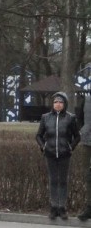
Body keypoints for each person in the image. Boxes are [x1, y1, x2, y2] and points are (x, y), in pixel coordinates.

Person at [35, 92, 80, 220]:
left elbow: (77, 136)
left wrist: (70, 147)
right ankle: (54, 207)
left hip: (65, 154)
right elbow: (38, 135)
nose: (58, 104)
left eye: (60, 102)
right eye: (55, 102)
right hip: (50, 153)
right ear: (52, 104)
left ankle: (62, 207)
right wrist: (43, 147)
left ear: (64, 104)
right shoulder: (46, 117)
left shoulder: (70, 118)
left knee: (63, 181)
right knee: (53, 180)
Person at [78, 94, 91, 222]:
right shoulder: (86, 100)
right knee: (88, 175)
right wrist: (83, 130)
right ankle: (89, 207)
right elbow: (79, 118)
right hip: (87, 142)